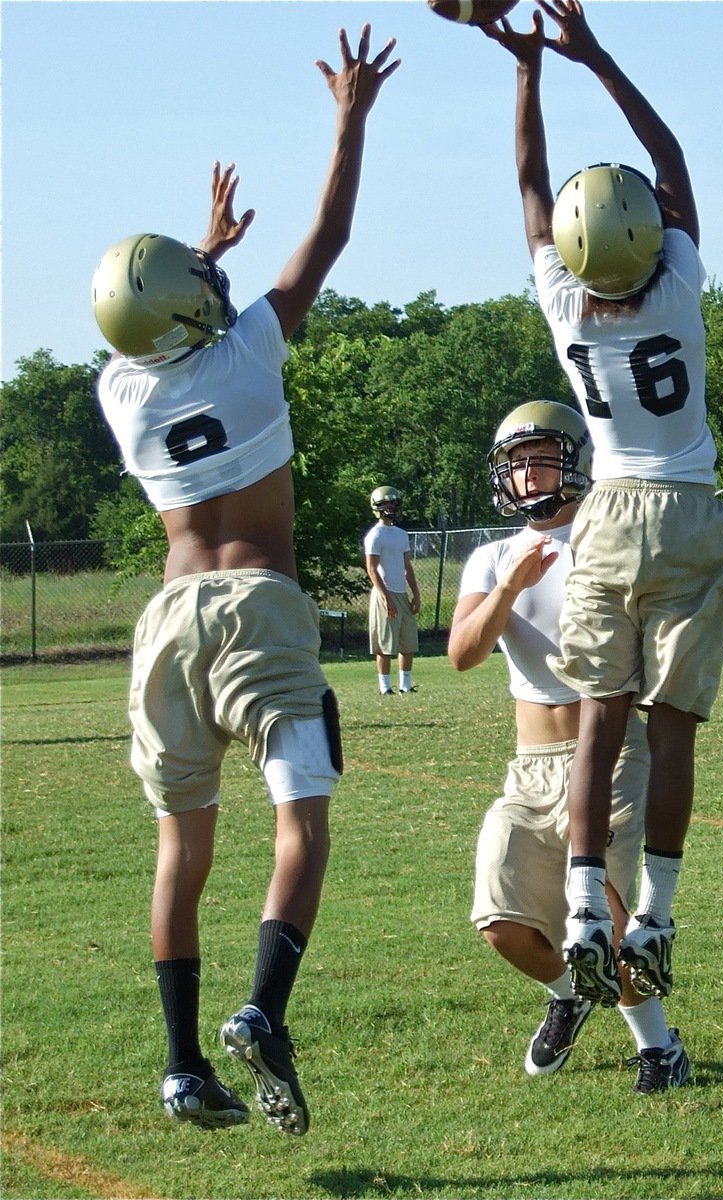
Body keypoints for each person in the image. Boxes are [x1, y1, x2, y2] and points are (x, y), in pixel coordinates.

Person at [92, 26, 400, 1133]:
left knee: (183, 847)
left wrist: (201, 257)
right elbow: (327, 237)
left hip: (166, 621)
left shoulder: (118, 394)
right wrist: (348, 116)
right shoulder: (251, 349)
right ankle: (263, 1011)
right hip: (261, 607)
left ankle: (181, 1066)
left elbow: (165, 328)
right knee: (301, 825)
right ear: (193, 309)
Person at [482, 0, 723, 1007]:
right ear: (649, 238)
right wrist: (591, 54)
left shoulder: (564, 308)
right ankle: (658, 915)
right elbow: (667, 155)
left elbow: (526, 188)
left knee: (597, 722)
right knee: (668, 732)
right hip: (689, 512)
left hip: (609, 515)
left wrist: (524, 74)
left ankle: (587, 908)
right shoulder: (676, 288)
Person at [448, 400, 690, 1093]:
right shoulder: (492, 556)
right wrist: (510, 587)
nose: (529, 474)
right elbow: (463, 652)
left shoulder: (607, 537)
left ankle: (660, 1048)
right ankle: (569, 993)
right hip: (529, 768)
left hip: (610, 755)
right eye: (517, 463)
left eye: (541, 456)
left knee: (609, 917)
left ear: (575, 457)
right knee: (499, 920)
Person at [364, 485, 421, 694]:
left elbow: (407, 566)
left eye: (393, 503)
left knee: (407, 642)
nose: (391, 507)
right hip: (384, 593)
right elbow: (371, 568)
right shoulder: (375, 535)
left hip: (401, 593)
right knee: (385, 644)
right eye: (386, 504)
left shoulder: (401, 534)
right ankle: (385, 687)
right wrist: (385, 596)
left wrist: (415, 593)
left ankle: (405, 685)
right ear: (377, 507)